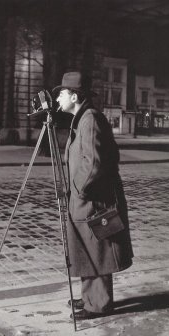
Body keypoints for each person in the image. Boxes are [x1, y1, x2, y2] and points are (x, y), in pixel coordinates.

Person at [53, 71, 134, 320]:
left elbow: (94, 162)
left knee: (96, 248)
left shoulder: (89, 119)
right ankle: (90, 295)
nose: (57, 100)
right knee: (86, 248)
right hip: (86, 198)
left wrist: (78, 190)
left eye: (61, 94)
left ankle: (98, 303)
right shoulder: (82, 118)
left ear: (74, 95)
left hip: (92, 200)